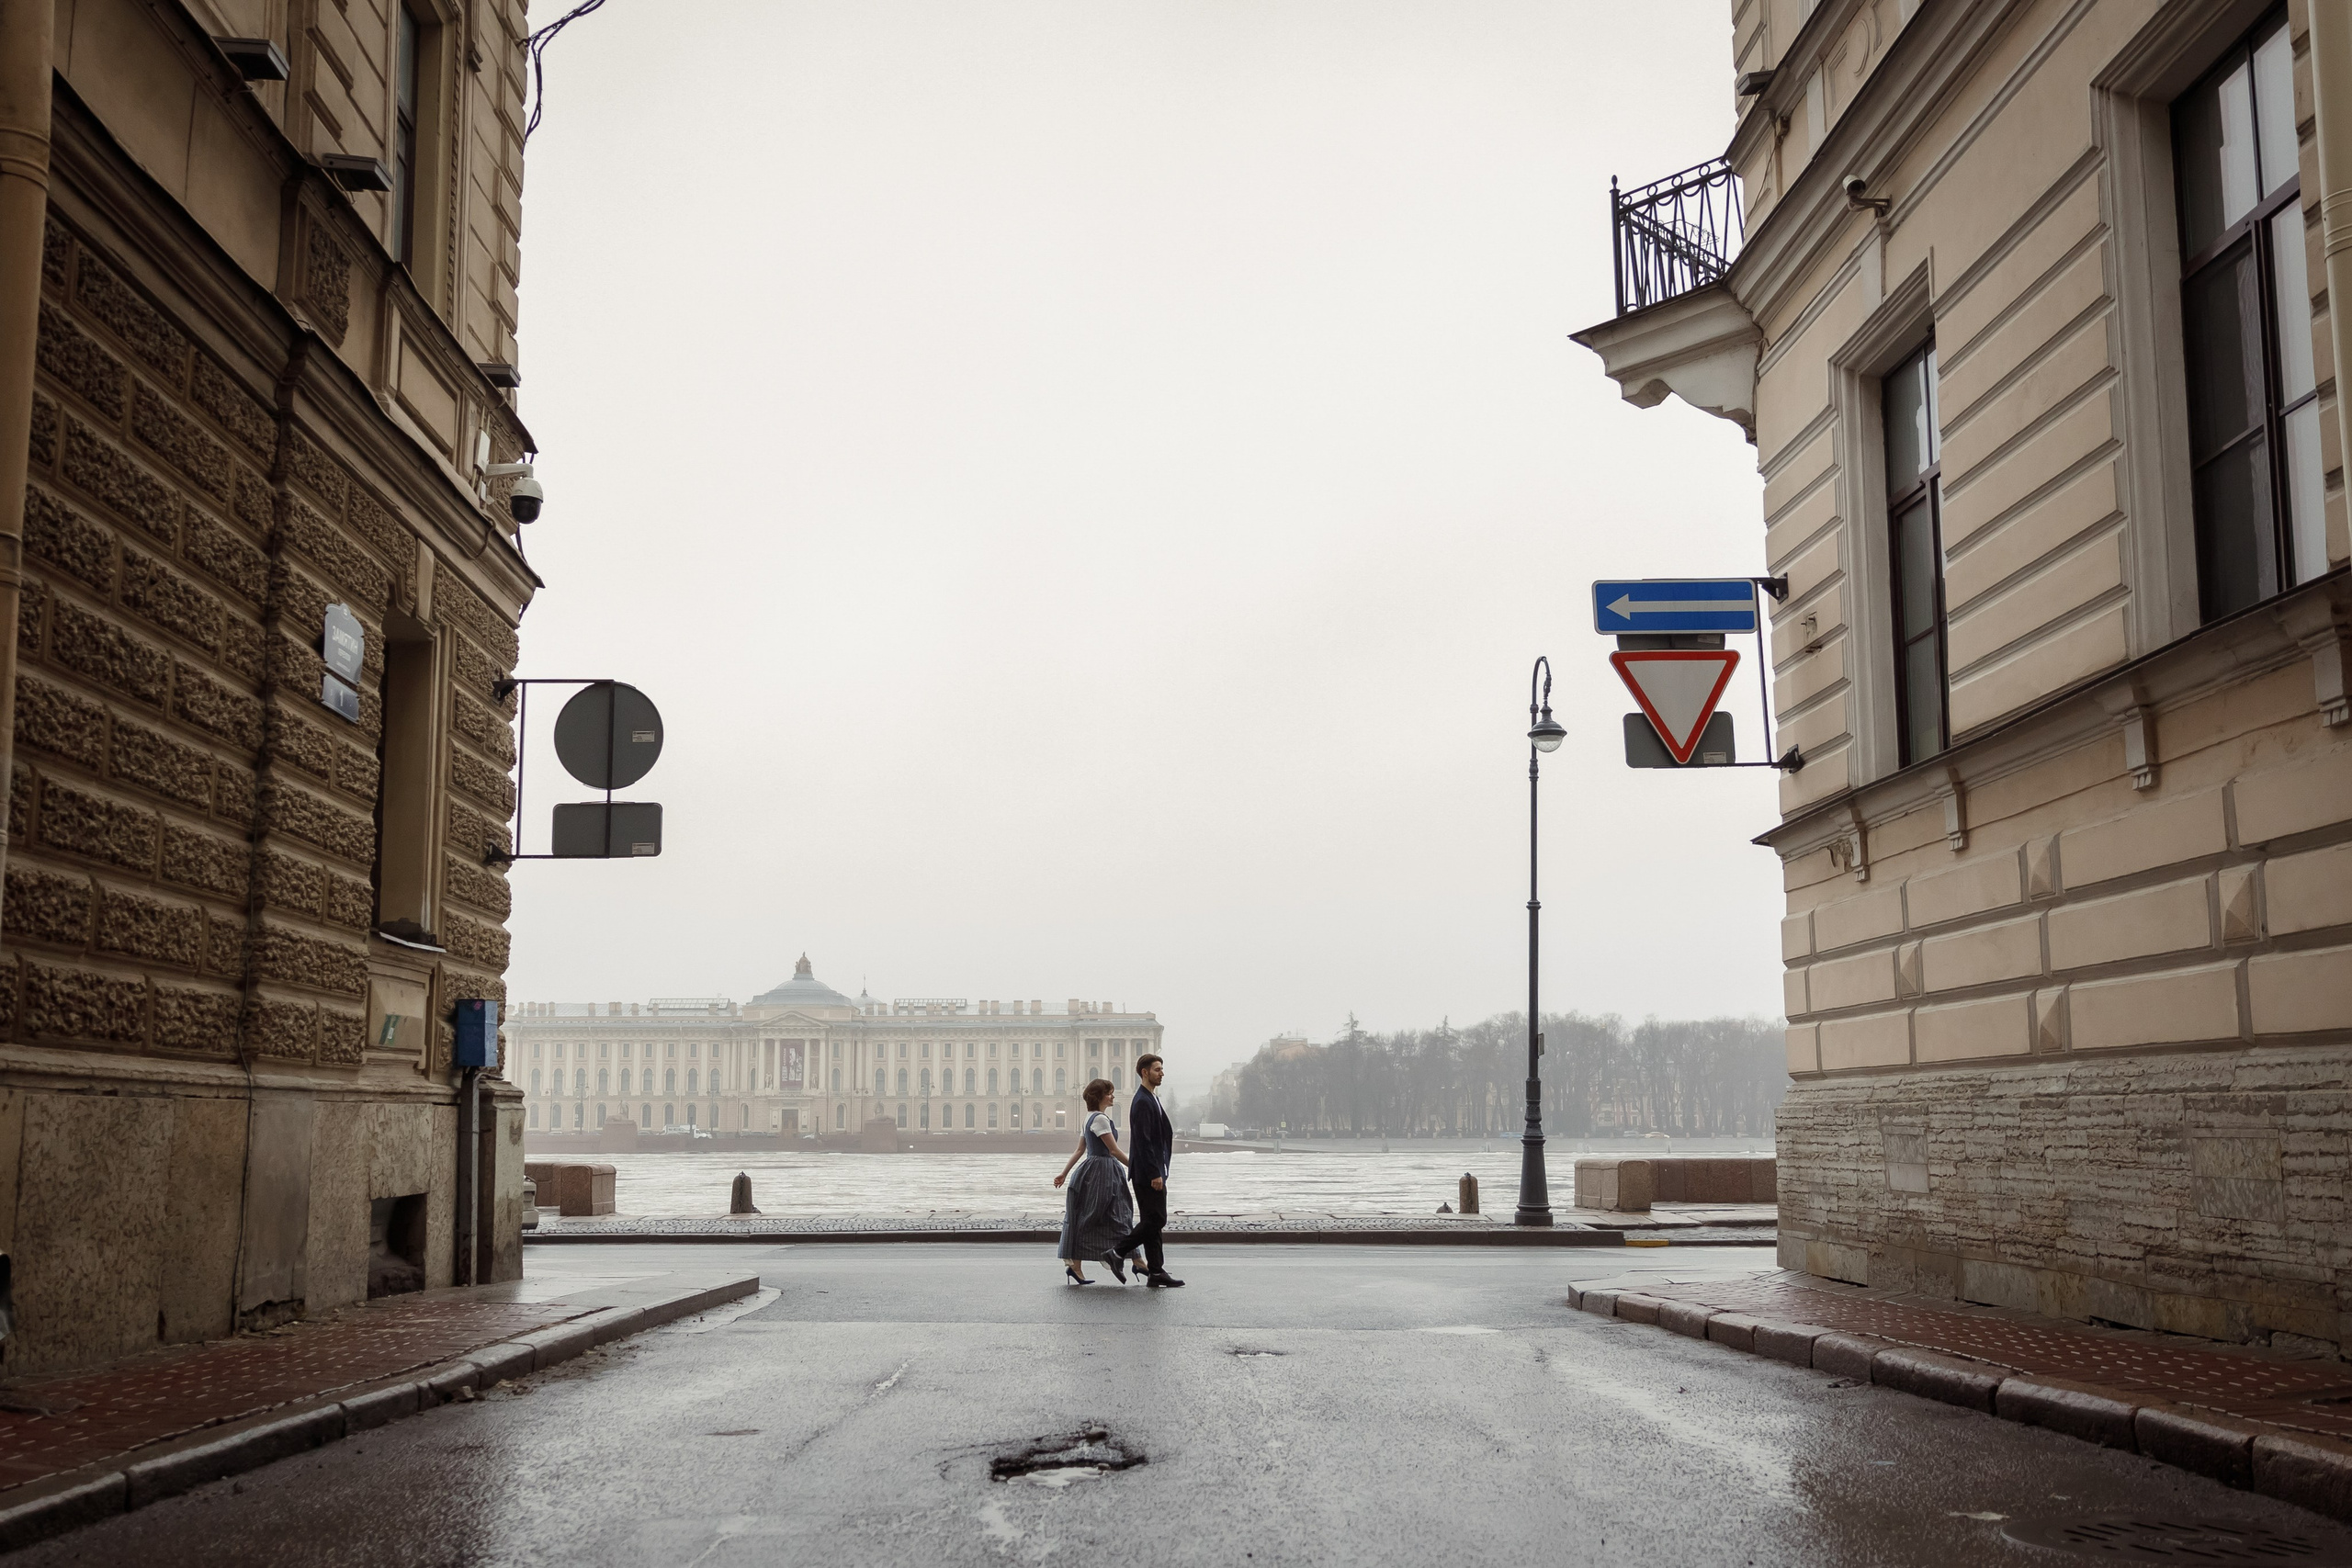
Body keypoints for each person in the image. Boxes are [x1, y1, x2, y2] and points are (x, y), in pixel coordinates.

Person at [1053, 1078, 1135, 1285]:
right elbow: (1114, 1150)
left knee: (1087, 1217)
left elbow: (1080, 1150)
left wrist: (1064, 1173)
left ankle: (1077, 1266)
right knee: (1117, 1215)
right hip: (1103, 1172)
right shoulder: (1100, 1119)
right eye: (1109, 1093)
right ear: (1099, 1097)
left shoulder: (1089, 1118)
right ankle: (1132, 1259)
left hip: (1091, 1170)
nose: (1113, 1096)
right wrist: (1136, 1168)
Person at [1124, 1054, 1182, 1287]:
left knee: (1153, 1222)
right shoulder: (1142, 1101)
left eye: (1162, 1069)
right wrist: (1155, 1173)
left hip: (1153, 1171)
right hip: (1148, 1174)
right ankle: (1117, 1252)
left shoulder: (1151, 1098)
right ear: (1145, 1072)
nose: (1162, 1073)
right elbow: (1144, 1141)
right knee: (1157, 1219)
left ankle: (1156, 1271)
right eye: (1157, 1069)